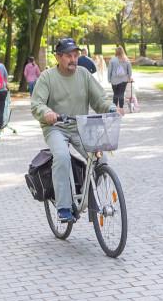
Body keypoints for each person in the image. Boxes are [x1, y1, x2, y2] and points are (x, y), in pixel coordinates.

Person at [30, 38, 123, 223]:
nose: (73, 59)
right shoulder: (47, 77)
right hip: (56, 127)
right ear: (58, 58)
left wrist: (112, 109)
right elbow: (36, 104)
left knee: (101, 158)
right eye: (68, 56)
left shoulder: (83, 74)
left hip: (80, 126)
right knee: (62, 157)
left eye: (75, 55)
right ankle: (64, 206)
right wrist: (47, 112)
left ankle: (89, 197)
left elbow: (99, 100)